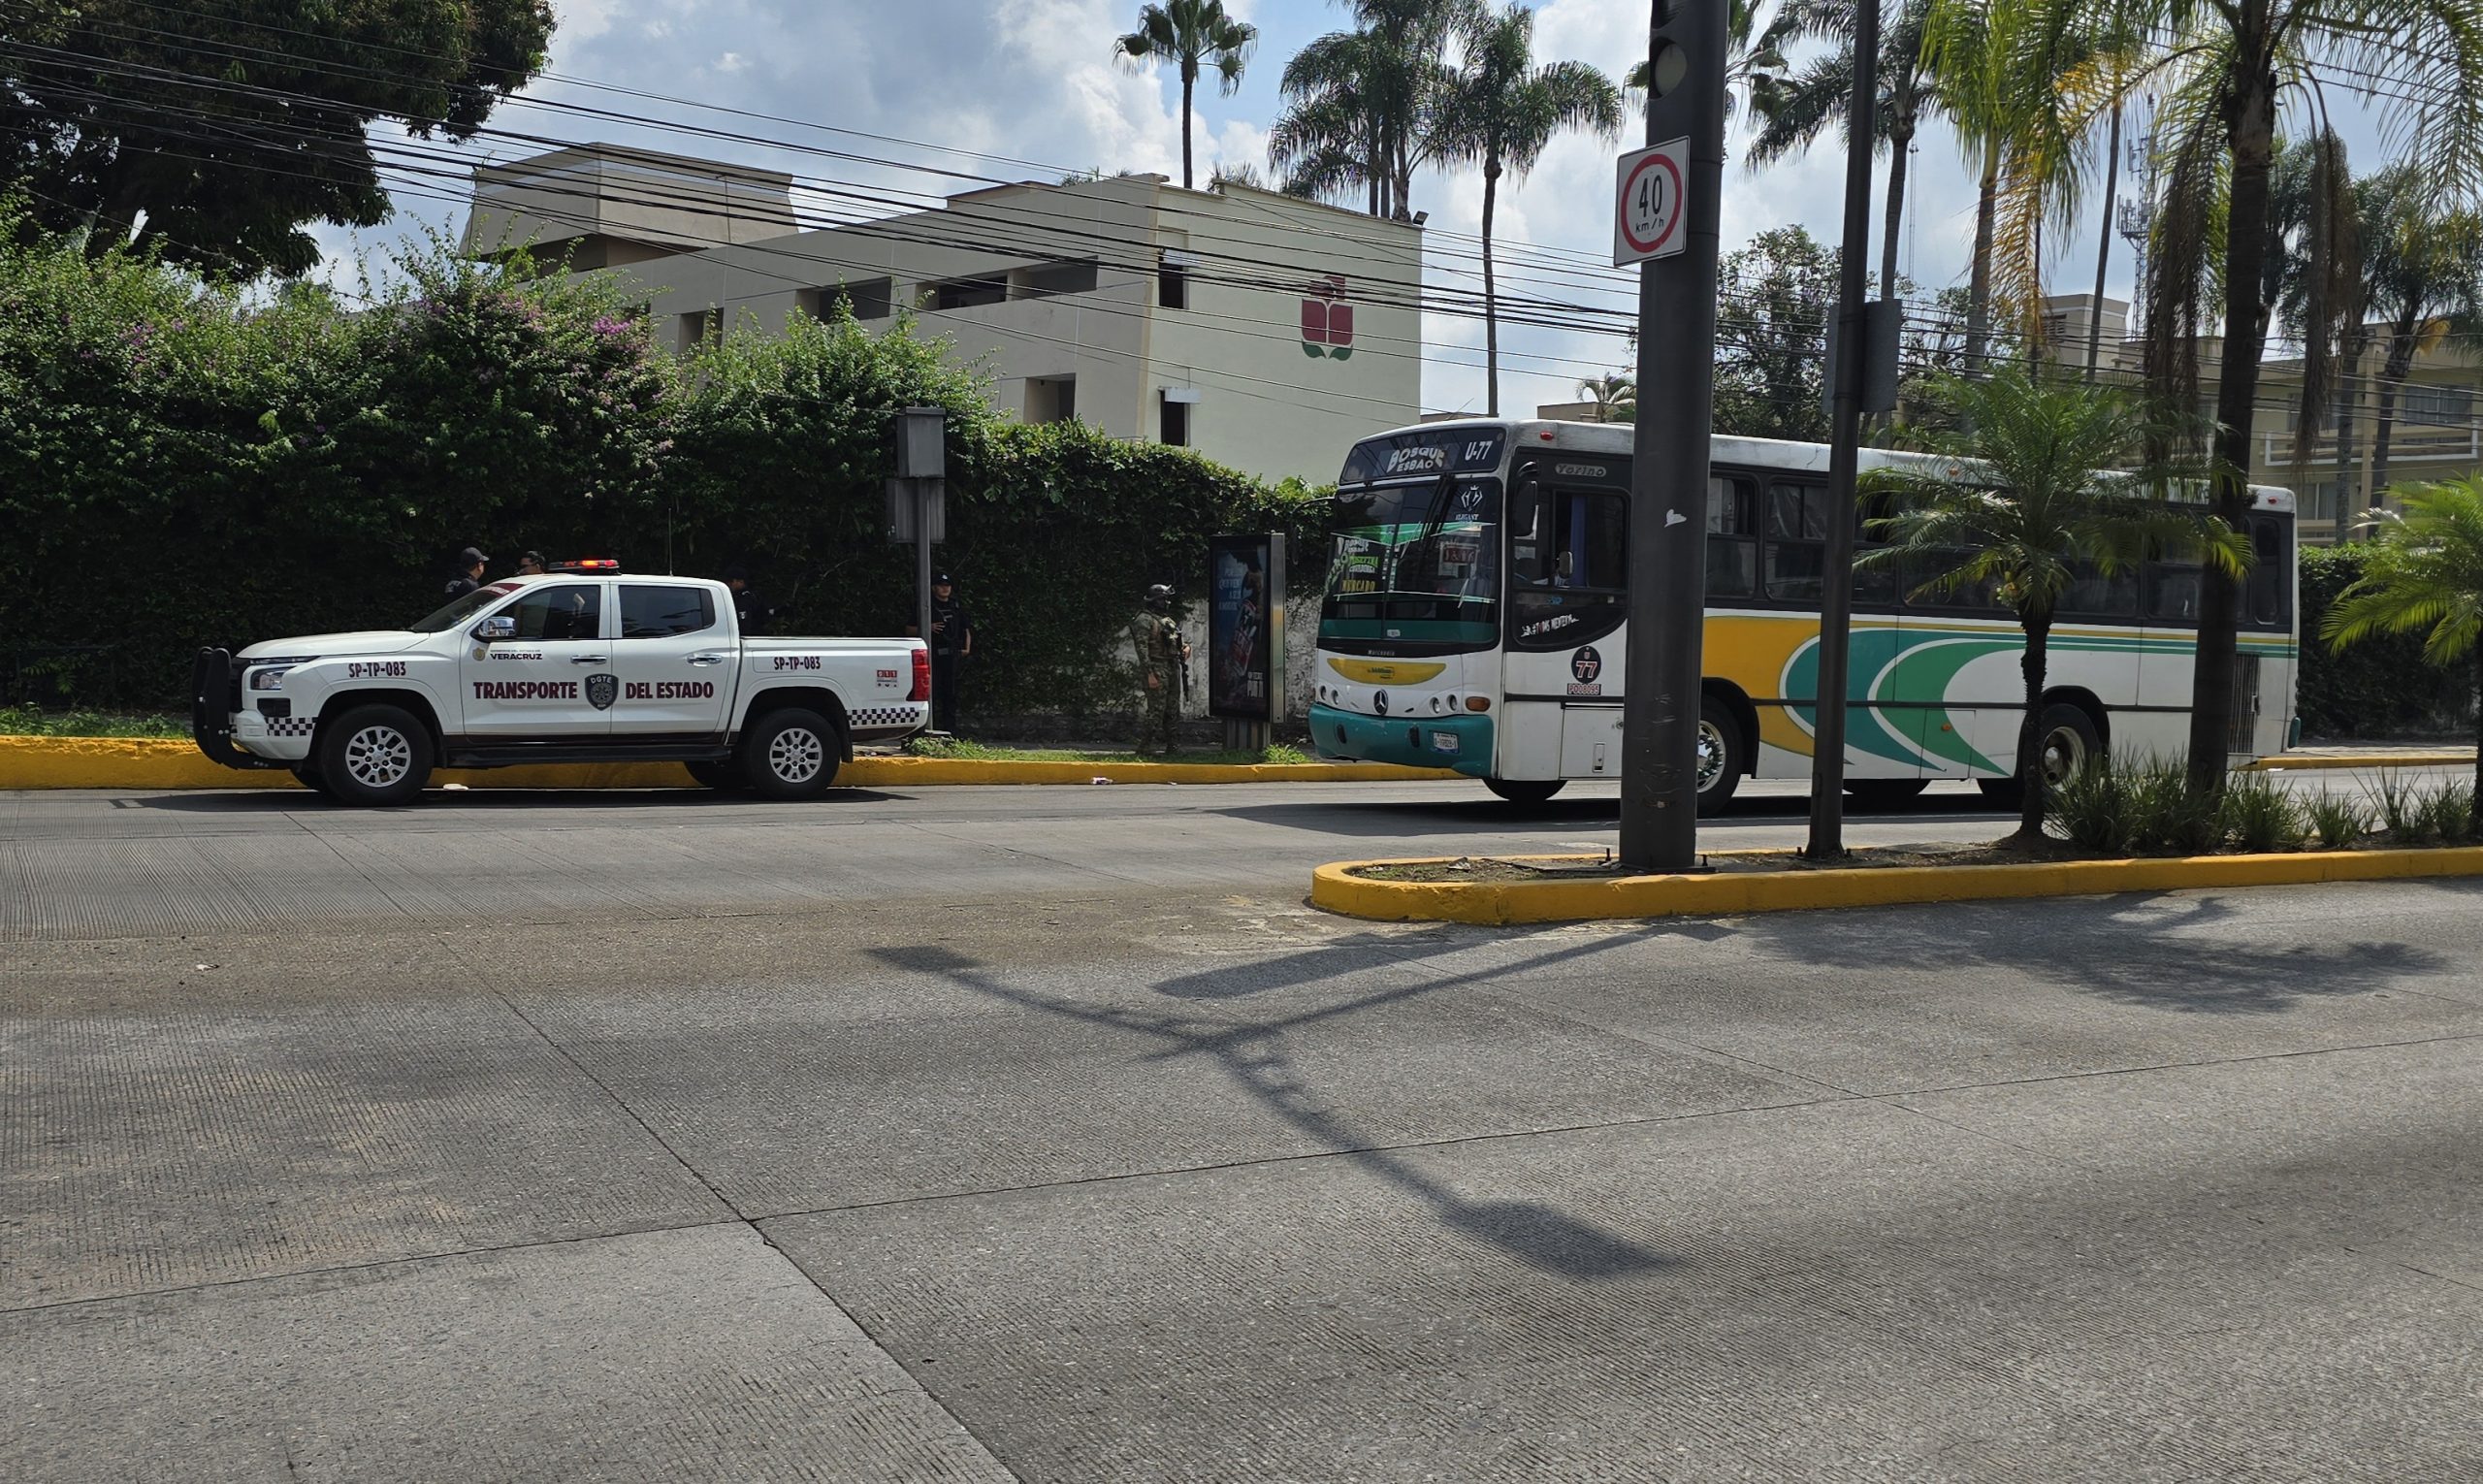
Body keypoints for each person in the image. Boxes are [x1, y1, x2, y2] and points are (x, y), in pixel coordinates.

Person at [1129, 583, 1190, 757]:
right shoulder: (1143, 620)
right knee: (1157, 709)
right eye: (1164, 599)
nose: (1167, 602)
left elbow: (1176, 641)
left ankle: (1173, 746)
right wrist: (1150, 674)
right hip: (1156, 667)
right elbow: (1142, 650)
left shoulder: (1166, 620)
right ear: (1155, 600)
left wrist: (1186, 648)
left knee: (1172, 709)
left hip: (1171, 666)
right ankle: (1145, 747)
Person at [923, 573, 972, 733]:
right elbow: (909, 629)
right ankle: (929, 728)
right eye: (941, 585)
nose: (945, 589)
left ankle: (951, 730)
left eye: (947, 585)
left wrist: (966, 648)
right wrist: (928, 628)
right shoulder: (927, 606)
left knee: (951, 693)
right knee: (932, 692)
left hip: (952, 656)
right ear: (934, 588)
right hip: (934, 655)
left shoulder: (955, 606)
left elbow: (965, 628)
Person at [723, 565, 770, 634]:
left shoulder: (745, 599)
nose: (729, 584)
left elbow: (744, 625)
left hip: (750, 637)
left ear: (741, 582)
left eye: (731, 581)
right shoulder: (741, 596)